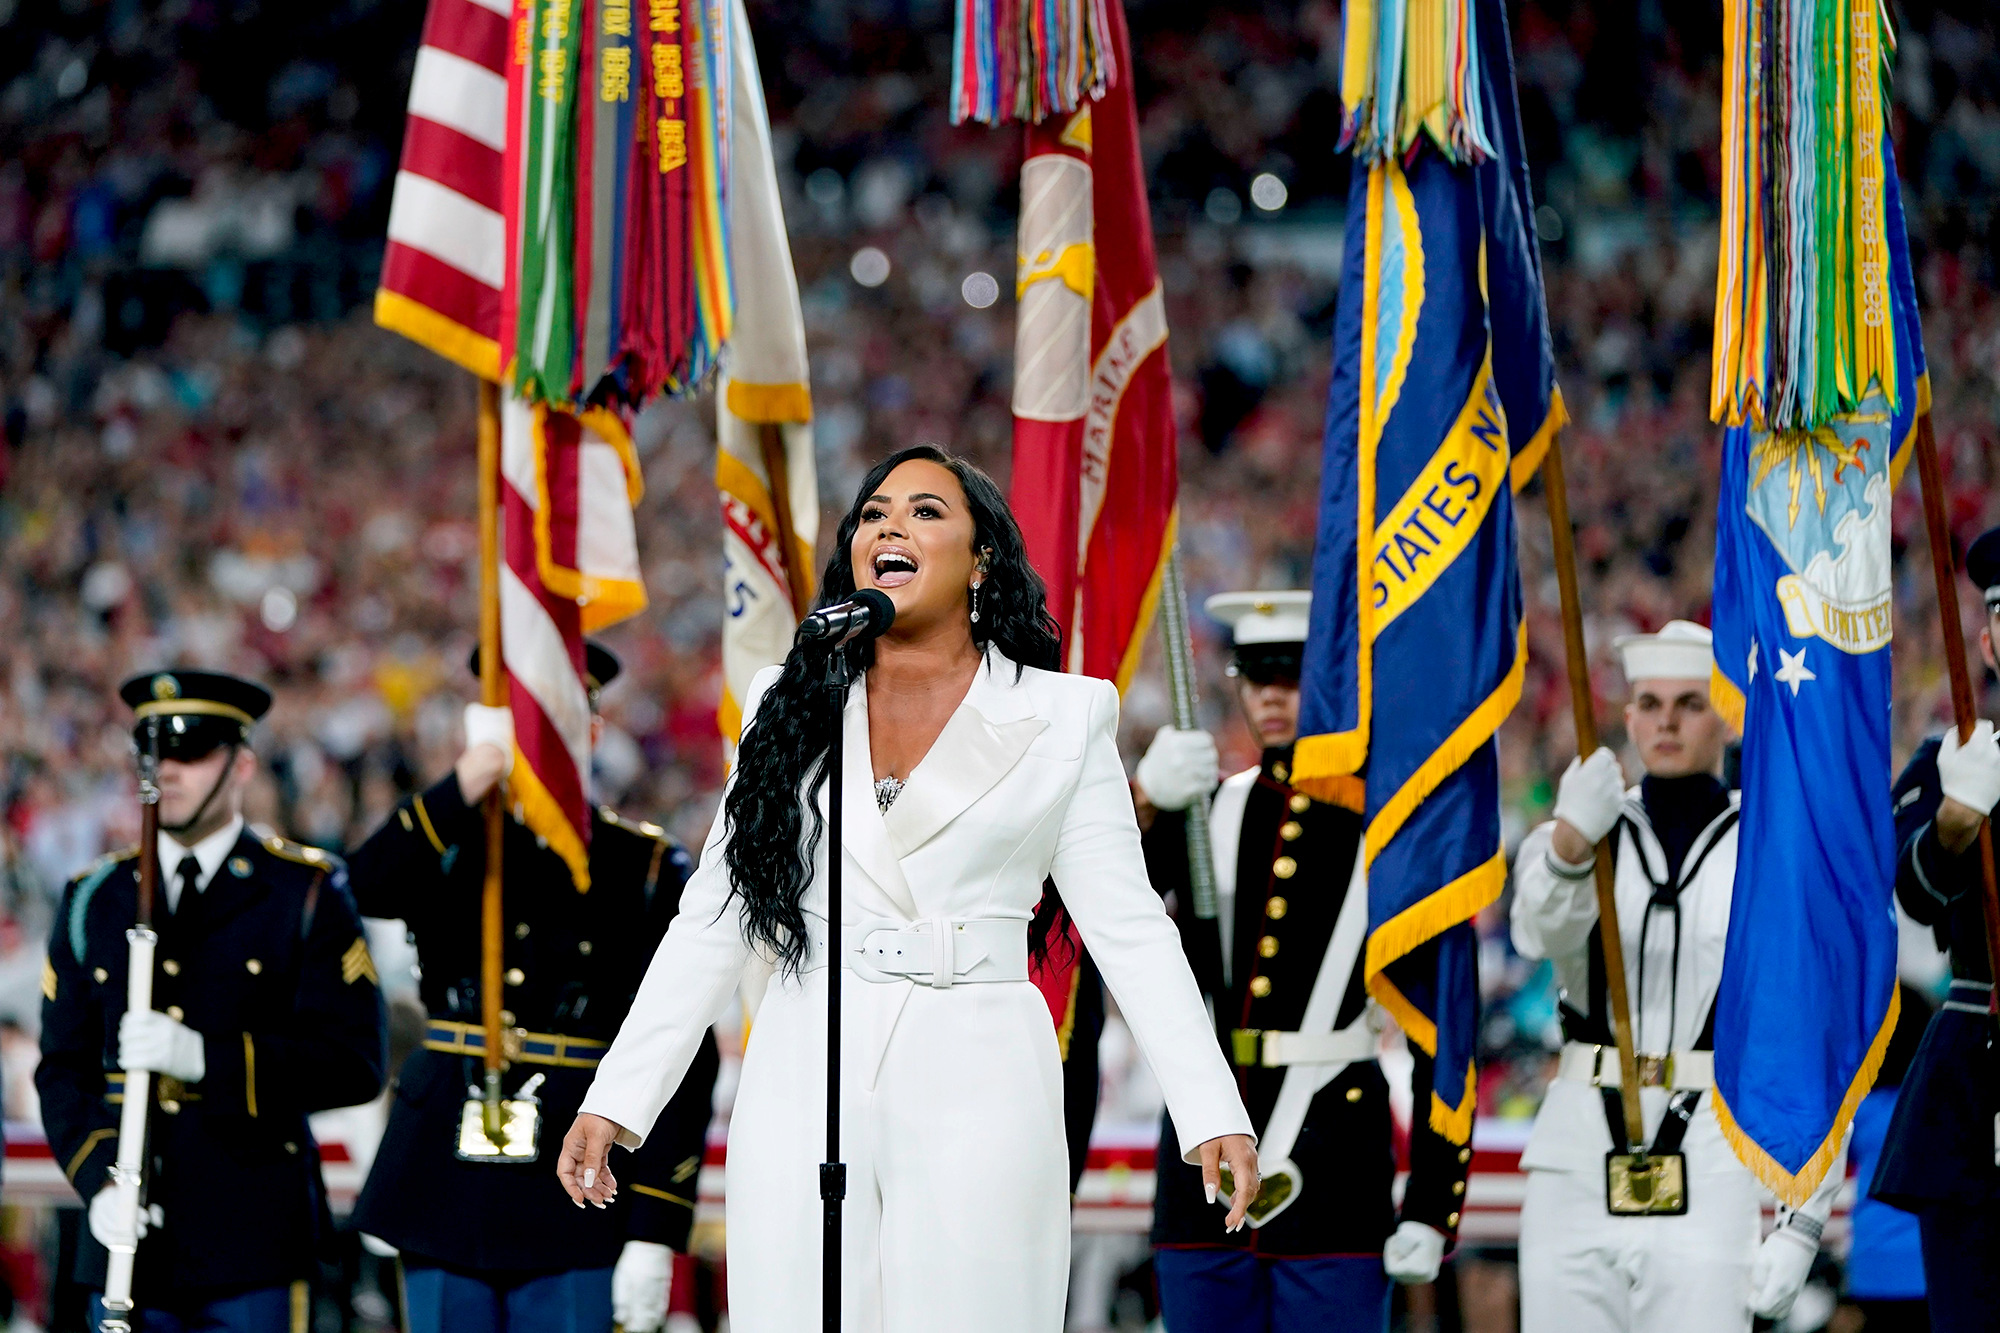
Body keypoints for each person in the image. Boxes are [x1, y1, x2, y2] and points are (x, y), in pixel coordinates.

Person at [557, 445, 1259, 1332]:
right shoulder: (789, 697)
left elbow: (1129, 929)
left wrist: (1209, 1108)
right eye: (875, 512)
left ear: (982, 560)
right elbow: (716, 915)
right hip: (807, 1061)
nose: (890, 525)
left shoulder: (1063, 713)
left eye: (927, 512)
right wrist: (619, 1097)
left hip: (983, 1067)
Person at [344, 643, 719, 1333]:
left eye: (556, 716)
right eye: (521, 716)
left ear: (594, 731)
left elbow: (683, 1057)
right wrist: (462, 784)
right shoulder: (451, 838)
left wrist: (656, 1226)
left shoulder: (641, 865)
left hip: (576, 1180)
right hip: (444, 1178)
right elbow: (362, 885)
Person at [1132, 590, 1469, 1331]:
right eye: (1257, 677)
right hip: (1203, 1165)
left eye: (1291, 676)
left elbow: (1441, 1021)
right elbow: (1091, 906)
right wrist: (1144, 804)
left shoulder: (1389, 828)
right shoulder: (1205, 810)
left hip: (1334, 1168)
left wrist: (1433, 1199)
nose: (1273, 695)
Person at [37, 670, 388, 1332]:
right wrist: (98, 1180)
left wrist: (209, 1058)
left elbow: (355, 1061)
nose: (166, 770)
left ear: (242, 764)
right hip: (126, 1247)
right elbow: (63, 1067)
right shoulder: (95, 896)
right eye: (153, 753)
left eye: (191, 753)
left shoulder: (304, 892)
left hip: (253, 1239)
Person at [1510, 621, 1836, 1332]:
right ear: (1627, 718)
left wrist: (1804, 1218)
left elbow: (1810, 1036)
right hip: (1578, 1151)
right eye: (1650, 704)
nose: (1665, 721)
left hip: (1714, 1149)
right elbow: (1537, 932)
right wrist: (1568, 841)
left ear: (1727, 715)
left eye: (1689, 703)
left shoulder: (1770, 847)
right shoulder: (1585, 831)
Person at [1869, 524, 2000, 1333]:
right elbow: (1913, 894)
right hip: (1978, 1084)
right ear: (1986, 642)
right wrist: (1956, 819)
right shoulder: (1954, 758)